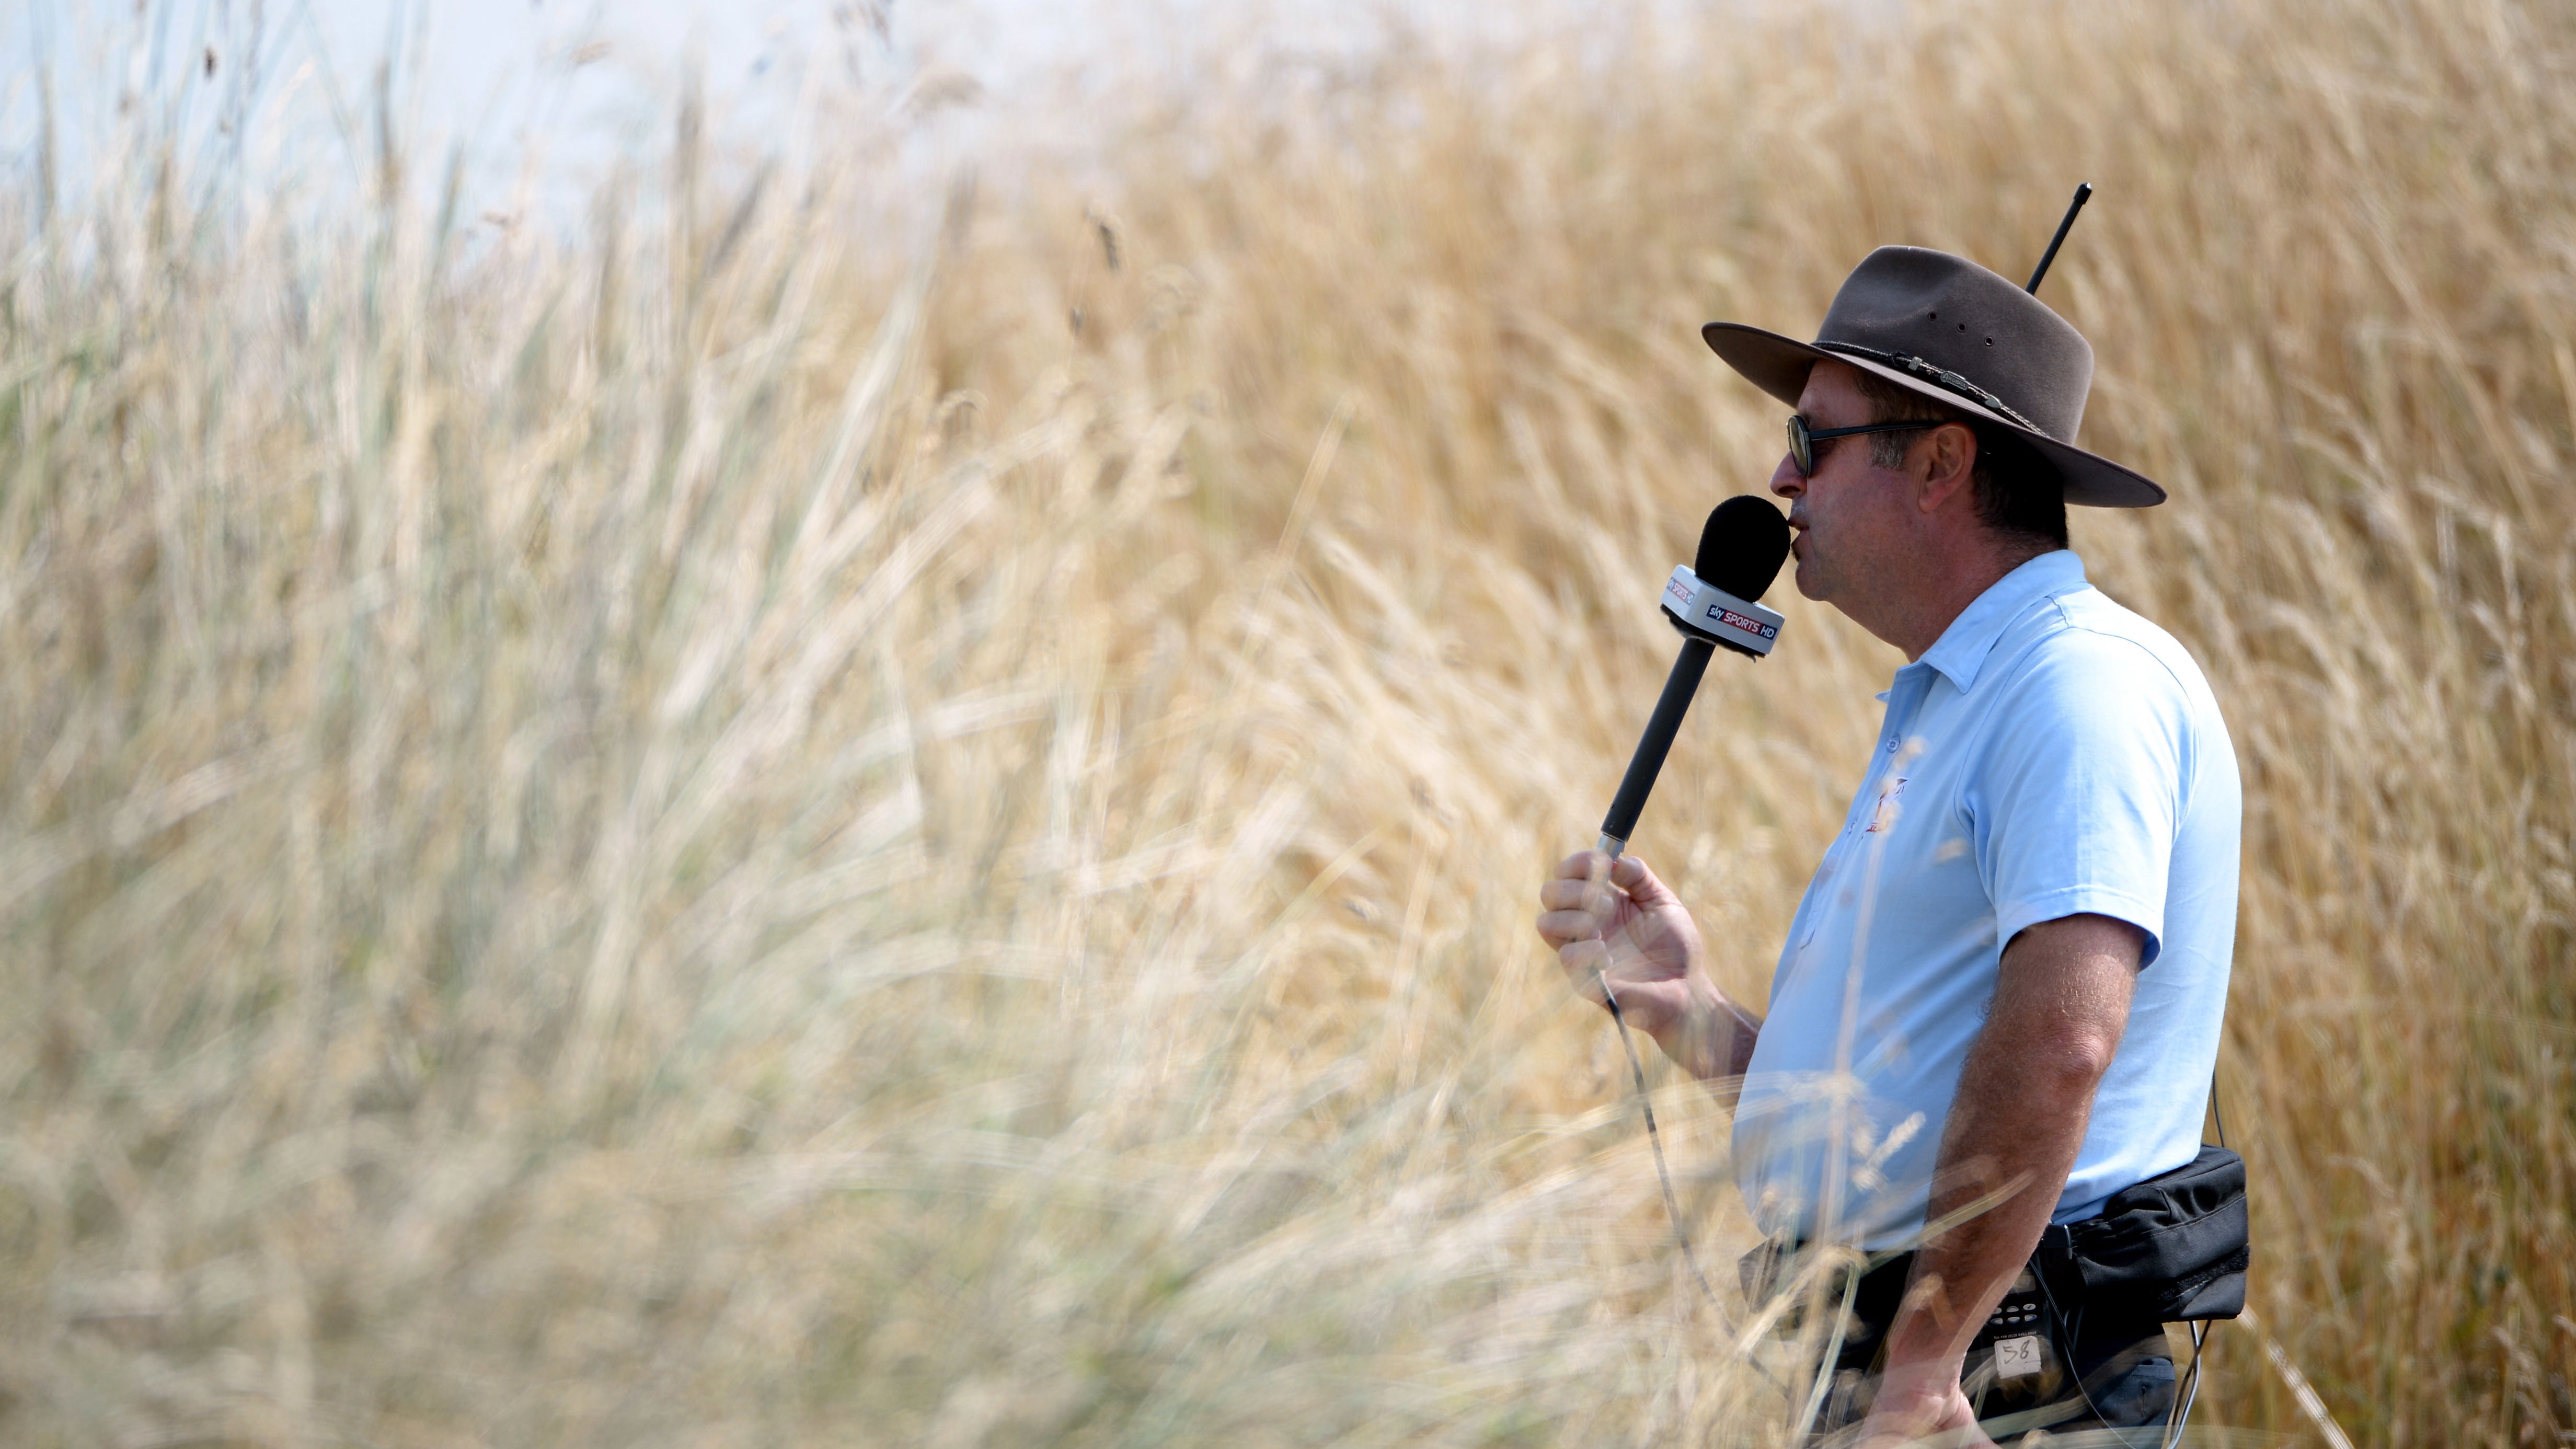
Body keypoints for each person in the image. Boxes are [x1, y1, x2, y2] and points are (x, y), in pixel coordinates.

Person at [1535, 247, 2241, 1444]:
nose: (1778, 475)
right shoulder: (1968, 694)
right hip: (1938, 1368)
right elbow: (1893, 1119)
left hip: (2008, 1387)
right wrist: (1691, 1011)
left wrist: (1920, 1367)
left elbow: (2064, 1039)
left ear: (1941, 461)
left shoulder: (2075, 687)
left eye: (1813, 441)